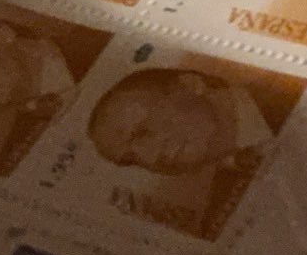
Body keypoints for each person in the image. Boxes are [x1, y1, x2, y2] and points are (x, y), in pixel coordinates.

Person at [86, 68, 273, 176]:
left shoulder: (283, 94)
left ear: (189, 85)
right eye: (132, 159)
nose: (150, 158)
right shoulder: (226, 206)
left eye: (143, 132)